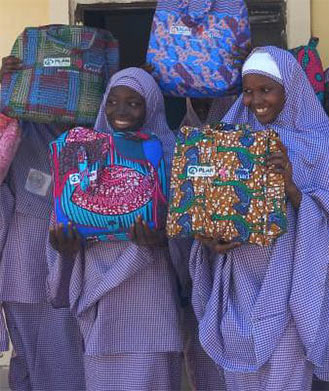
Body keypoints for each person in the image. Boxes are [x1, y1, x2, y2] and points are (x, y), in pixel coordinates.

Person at [188, 46, 329, 391]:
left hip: (292, 284)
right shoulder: (225, 136)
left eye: (266, 90)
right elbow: (202, 209)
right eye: (248, 91)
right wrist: (208, 239)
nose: (256, 100)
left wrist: (291, 189)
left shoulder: (316, 143)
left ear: (288, 90)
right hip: (236, 286)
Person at [47, 68, 184, 390]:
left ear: (151, 107)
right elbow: (61, 216)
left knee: (152, 377)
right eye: (113, 102)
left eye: (133, 103)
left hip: (151, 295)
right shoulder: (80, 157)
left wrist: (163, 240)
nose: (121, 111)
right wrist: (65, 250)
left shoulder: (172, 156)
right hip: (98, 292)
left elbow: (187, 235)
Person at [0, 55, 86, 390]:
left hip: (74, 265)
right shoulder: (18, 127)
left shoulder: (97, 130)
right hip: (26, 266)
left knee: (68, 357)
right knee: (32, 357)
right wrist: (5, 93)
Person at [175, 95, 237, 391]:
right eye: (195, 104)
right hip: (191, 273)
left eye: (208, 105)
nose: (201, 111)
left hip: (237, 272)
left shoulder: (244, 145)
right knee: (201, 356)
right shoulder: (177, 142)